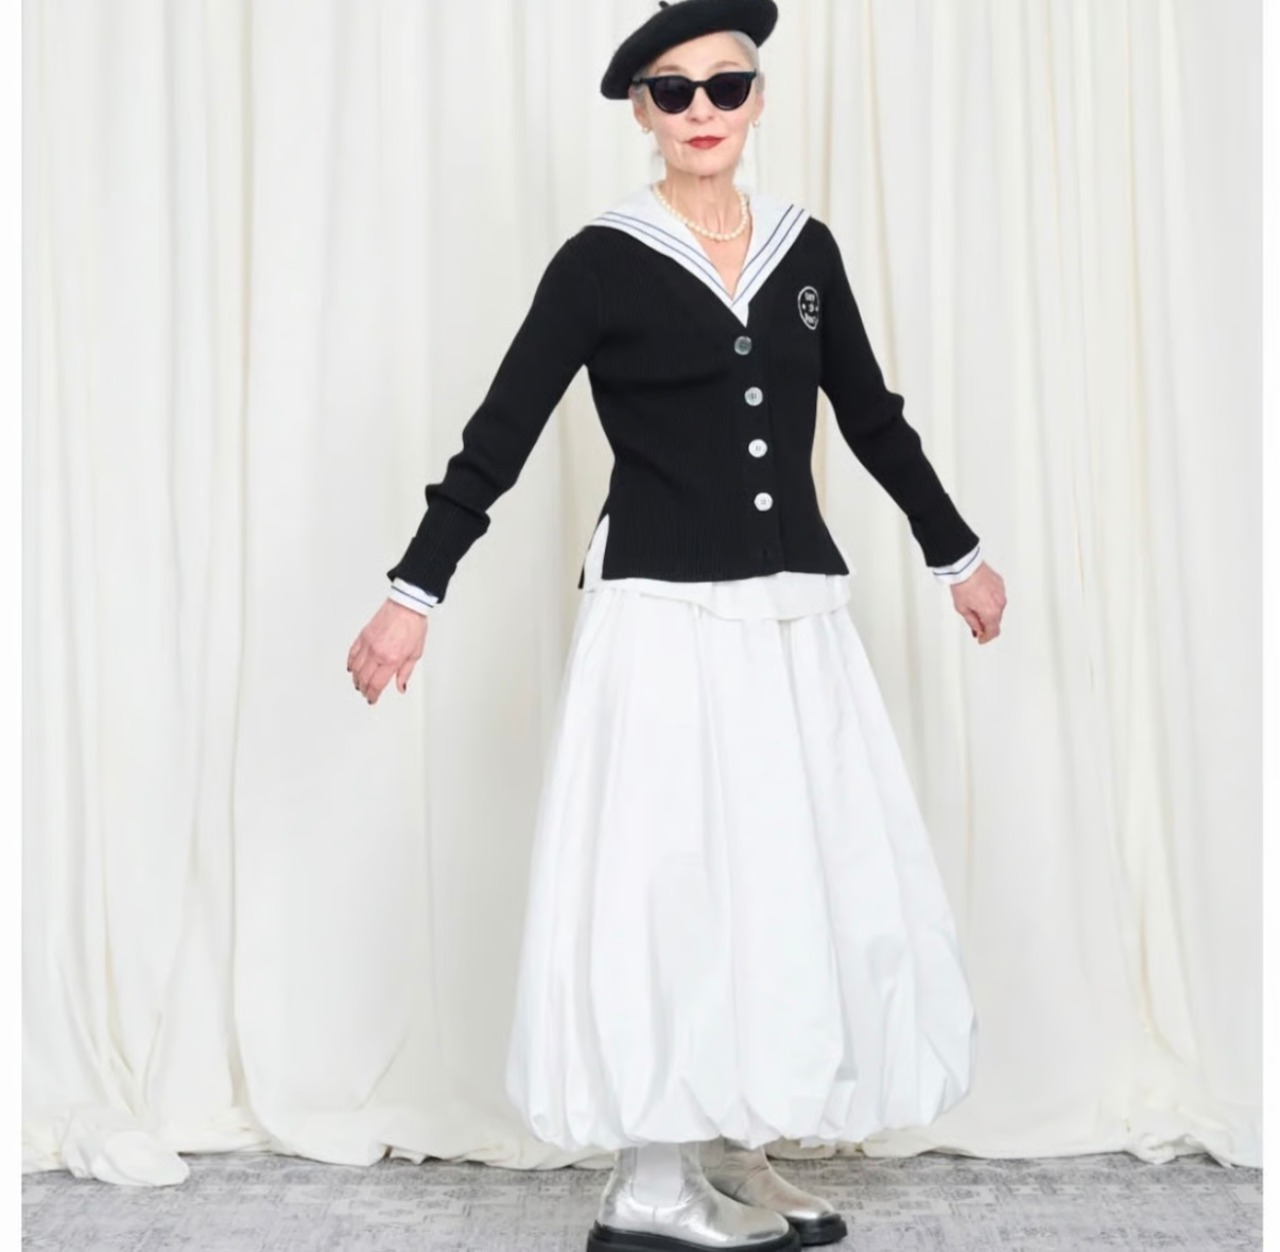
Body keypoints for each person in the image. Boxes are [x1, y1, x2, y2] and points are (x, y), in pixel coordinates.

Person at [347, 1, 1008, 1248]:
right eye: (671, 90)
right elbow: (501, 430)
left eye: (725, 85)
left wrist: (954, 551)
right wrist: (412, 592)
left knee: (782, 872)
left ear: (757, 98)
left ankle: (734, 1149)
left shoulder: (804, 251)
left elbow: (869, 415)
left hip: (791, 613)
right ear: (641, 113)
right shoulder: (599, 260)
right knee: (668, 877)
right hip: (658, 613)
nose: (701, 109)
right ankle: (648, 1180)